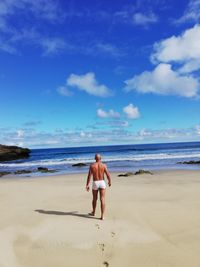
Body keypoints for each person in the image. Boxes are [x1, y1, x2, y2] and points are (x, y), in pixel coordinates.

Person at [86, 154, 111, 220]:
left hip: (95, 182)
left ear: (95, 158)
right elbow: (107, 174)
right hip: (102, 182)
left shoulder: (92, 166)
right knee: (102, 199)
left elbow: (89, 176)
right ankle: (102, 216)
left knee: (94, 198)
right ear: (101, 158)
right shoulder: (104, 165)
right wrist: (109, 181)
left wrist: (87, 184)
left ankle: (93, 212)